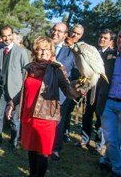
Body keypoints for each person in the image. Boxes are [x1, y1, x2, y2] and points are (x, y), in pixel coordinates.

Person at [5, 36, 87, 177]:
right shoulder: (29, 68)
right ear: (35, 51)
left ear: (52, 52)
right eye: (40, 49)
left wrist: (78, 87)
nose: (44, 52)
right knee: (31, 149)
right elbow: (24, 91)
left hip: (46, 117)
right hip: (28, 116)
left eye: (47, 49)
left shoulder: (56, 69)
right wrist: (12, 103)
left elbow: (67, 90)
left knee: (42, 152)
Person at [76, 28, 115, 153]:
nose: (102, 39)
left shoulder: (112, 55)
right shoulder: (92, 51)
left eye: (105, 38)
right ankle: (84, 139)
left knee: (100, 118)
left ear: (111, 41)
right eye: (101, 37)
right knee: (86, 115)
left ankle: (98, 145)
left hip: (103, 90)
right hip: (91, 87)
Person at [0, 25, 29, 152]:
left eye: (9, 35)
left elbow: (26, 72)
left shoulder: (21, 51)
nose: (7, 38)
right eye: (4, 36)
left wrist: (22, 91)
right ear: (1, 37)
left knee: (14, 118)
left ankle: (13, 143)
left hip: (15, 91)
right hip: (0, 89)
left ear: (12, 35)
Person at [50, 22, 77, 160]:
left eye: (59, 31)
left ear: (65, 35)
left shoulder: (71, 52)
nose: (55, 33)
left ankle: (55, 149)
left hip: (62, 94)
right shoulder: (44, 47)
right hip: (44, 92)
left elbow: (76, 73)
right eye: (54, 30)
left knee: (58, 122)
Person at [97, 29, 120, 177]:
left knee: (117, 139)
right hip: (107, 103)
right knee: (111, 138)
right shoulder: (109, 57)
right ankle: (118, 169)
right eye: (119, 37)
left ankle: (106, 159)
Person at [62, 24, 84, 143]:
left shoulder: (81, 49)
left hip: (73, 84)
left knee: (67, 110)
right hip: (61, 83)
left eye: (78, 34)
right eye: (74, 32)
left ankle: (65, 132)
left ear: (81, 36)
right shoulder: (63, 45)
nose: (75, 35)